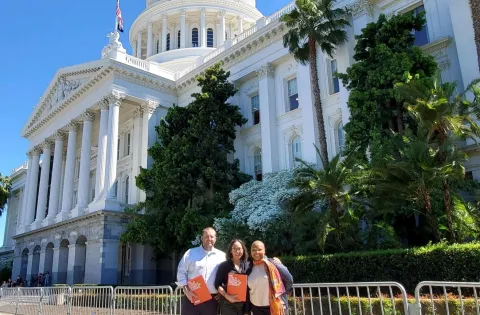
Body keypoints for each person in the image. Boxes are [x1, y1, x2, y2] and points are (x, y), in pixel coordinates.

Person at [176, 227, 226, 315]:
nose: (209, 239)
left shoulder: (222, 256)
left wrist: (223, 291)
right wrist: (186, 291)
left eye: (212, 236)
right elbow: (181, 272)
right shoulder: (190, 253)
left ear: (215, 239)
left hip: (212, 300)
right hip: (192, 297)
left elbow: (226, 276)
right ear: (202, 238)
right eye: (206, 236)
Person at [246, 241, 293, 315]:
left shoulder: (274, 264)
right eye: (253, 250)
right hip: (256, 309)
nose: (256, 252)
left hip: (273, 307)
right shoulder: (248, 268)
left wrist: (282, 294)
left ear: (264, 250)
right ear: (251, 252)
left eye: (259, 249)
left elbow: (289, 279)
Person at [214, 239, 250, 315]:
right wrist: (227, 296)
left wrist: (272, 260)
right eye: (234, 249)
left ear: (243, 250)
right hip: (228, 304)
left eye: (239, 248)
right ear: (231, 250)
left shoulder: (248, 265)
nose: (237, 251)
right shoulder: (224, 266)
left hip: (245, 305)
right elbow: (217, 284)